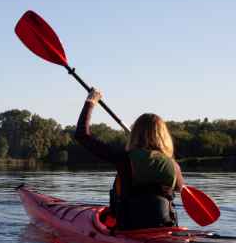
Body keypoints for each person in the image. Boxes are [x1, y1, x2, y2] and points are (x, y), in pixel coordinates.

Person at [75, 88, 184, 231]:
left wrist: (91, 101)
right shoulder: (174, 166)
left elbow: (82, 135)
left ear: (135, 134)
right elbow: (180, 188)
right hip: (165, 228)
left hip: (130, 229)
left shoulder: (124, 159)